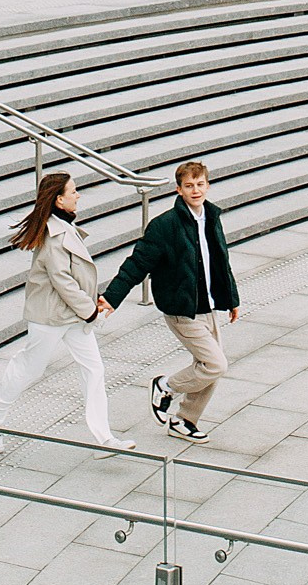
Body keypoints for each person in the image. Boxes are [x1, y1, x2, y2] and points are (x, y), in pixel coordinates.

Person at [0, 167, 131, 450]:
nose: (78, 195)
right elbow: (61, 280)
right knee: (30, 366)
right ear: (59, 200)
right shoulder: (54, 235)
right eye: (73, 192)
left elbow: (72, 277)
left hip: (71, 314)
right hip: (51, 316)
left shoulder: (64, 226)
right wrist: (90, 310)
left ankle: (104, 439)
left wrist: (89, 302)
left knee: (94, 369)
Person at [96, 158, 238, 441]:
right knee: (215, 364)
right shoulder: (165, 226)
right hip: (180, 309)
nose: (195, 190)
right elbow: (137, 263)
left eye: (200, 184)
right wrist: (112, 297)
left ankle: (184, 420)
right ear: (178, 190)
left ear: (207, 185)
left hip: (207, 306)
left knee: (210, 367)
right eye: (189, 186)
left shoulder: (211, 217)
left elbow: (221, 262)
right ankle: (166, 386)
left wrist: (232, 299)